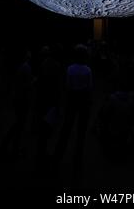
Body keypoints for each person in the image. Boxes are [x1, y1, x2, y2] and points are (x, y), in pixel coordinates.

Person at [53, 44, 92, 174]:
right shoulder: (87, 70)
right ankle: (78, 157)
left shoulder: (70, 69)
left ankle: (58, 155)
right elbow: (89, 87)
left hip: (72, 98)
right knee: (81, 130)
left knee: (67, 127)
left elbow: (67, 85)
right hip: (83, 99)